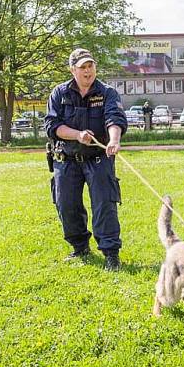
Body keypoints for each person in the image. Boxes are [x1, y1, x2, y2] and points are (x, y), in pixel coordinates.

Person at [44, 48, 128, 271]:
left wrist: (114, 140)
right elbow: (52, 126)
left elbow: (115, 118)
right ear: (73, 70)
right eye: (82, 67)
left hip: (99, 157)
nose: (88, 70)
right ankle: (79, 247)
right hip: (67, 157)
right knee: (66, 205)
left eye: (90, 65)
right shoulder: (59, 94)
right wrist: (77, 135)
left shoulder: (108, 92)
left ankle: (111, 253)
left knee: (104, 205)